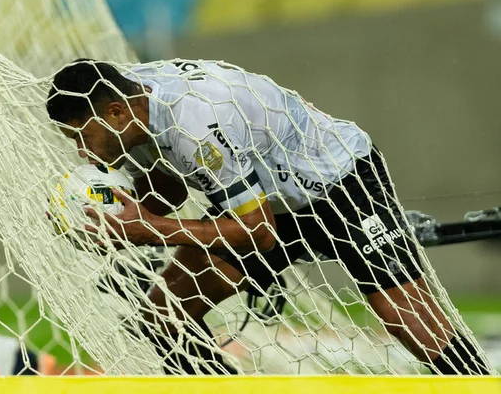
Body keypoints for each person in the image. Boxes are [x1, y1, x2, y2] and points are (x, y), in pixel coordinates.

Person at [45, 59, 491, 375]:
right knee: (166, 316)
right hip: (262, 201)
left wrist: (148, 228)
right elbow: (170, 187)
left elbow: (258, 233)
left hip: (339, 183)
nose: (82, 152)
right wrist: (119, 227)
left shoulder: (195, 122)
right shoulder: (129, 99)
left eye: (83, 137)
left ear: (116, 113)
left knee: (407, 318)